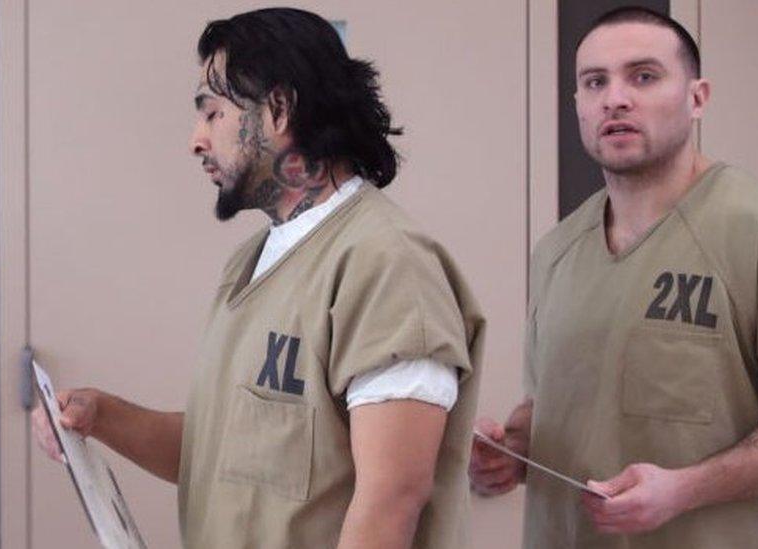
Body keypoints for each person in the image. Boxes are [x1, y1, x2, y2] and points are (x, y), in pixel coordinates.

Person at [32, 8, 484, 549]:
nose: (197, 140)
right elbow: (222, 455)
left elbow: (393, 497)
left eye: (213, 112)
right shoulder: (251, 263)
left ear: (277, 109)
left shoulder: (386, 264)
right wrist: (100, 414)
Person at [469, 7, 758, 548]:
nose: (616, 97)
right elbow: (563, 403)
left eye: (644, 76)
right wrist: (514, 450)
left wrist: (685, 489)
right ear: (579, 106)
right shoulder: (558, 250)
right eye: (595, 82)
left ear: (697, 97)